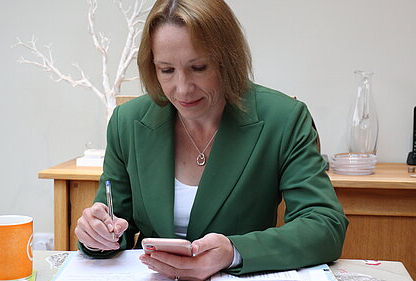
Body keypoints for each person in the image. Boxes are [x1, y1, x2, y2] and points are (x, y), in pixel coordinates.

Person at [75, 0, 348, 280]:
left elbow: (324, 226)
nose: (182, 88)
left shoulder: (284, 119)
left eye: (199, 67)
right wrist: (97, 236)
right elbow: (113, 223)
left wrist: (233, 251)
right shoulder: (127, 122)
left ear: (228, 59)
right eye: (166, 70)